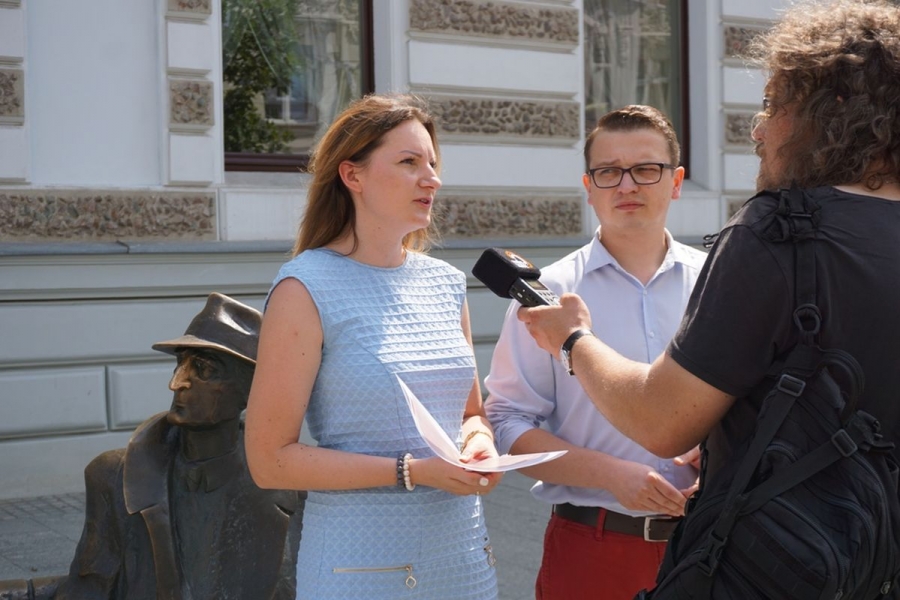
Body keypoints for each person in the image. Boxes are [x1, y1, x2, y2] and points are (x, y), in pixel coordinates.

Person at [516, 0, 900, 567]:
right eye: (609, 172)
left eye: (774, 104)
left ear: (832, 110)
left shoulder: (777, 231)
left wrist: (573, 339)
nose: (758, 129)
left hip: (788, 567)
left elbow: (660, 420)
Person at [244, 93, 501, 599]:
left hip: (464, 562)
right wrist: (412, 472)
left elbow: (471, 413)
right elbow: (269, 460)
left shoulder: (446, 284)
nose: (432, 179)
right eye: (409, 162)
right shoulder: (305, 287)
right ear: (352, 175)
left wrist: (481, 444)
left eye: (432, 164)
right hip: (359, 570)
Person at [483, 105, 706, 600]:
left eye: (646, 169)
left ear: (676, 181)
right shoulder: (547, 295)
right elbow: (506, 424)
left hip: (711, 546)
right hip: (593, 549)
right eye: (608, 172)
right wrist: (610, 475)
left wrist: (715, 452)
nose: (626, 185)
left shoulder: (718, 283)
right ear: (589, 186)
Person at [54, 292, 304, 600]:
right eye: (180, 364)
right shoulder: (113, 477)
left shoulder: (289, 487)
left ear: (250, 391)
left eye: (204, 369)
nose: (176, 383)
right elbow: (87, 590)